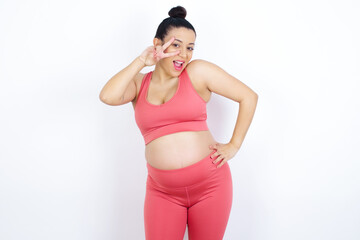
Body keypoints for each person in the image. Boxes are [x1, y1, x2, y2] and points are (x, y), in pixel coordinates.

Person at [99, 5, 258, 240]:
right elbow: (107, 96)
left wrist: (234, 145)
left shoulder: (198, 72)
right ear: (157, 45)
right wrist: (142, 60)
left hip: (211, 187)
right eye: (176, 45)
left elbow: (248, 97)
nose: (184, 54)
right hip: (162, 192)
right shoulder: (139, 84)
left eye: (190, 47)